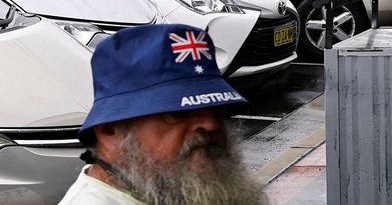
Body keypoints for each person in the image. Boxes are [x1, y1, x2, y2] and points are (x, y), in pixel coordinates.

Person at [60, 23, 264, 205]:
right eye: (176, 114)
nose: (211, 124)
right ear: (109, 131)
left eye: (217, 110)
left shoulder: (175, 187)